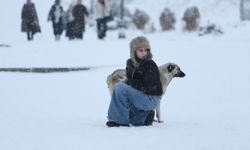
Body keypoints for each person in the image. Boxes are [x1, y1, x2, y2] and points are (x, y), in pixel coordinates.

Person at [106, 36, 163, 127]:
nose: (144, 53)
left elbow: (147, 87)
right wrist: (127, 82)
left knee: (120, 88)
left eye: (146, 50)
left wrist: (130, 83)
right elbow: (131, 83)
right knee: (124, 102)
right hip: (141, 96)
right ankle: (144, 117)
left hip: (151, 98)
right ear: (134, 51)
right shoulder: (130, 64)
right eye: (141, 50)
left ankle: (119, 121)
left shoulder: (150, 65)